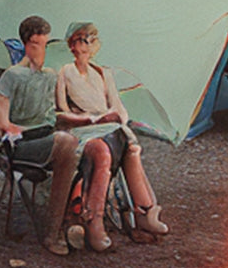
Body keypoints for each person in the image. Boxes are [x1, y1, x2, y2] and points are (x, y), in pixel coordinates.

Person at [55, 21, 168, 251]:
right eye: (79, 40)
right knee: (102, 152)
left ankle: (144, 210)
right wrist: (91, 119)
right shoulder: (65, 72)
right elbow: (61, 113)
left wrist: (113, 118)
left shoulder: (103, 73)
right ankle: (93, 220)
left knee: (131, 146)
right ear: (71, 45)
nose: (84, 45)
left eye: (89, 40)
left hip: (109, 127)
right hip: (82, 128)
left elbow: (119, 109)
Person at [0, 15, 80, 257]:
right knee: (67, 143)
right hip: (20, 145)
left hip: (46, 139)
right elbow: (3, 125)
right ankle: (53, 233)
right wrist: (22, 128)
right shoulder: (11, 76)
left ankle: (78, 220)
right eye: (35, 44)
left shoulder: (51, 75)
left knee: (87, 145)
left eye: (44, 44)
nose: (40, 51)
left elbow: (53, 115)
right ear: (25, 44)